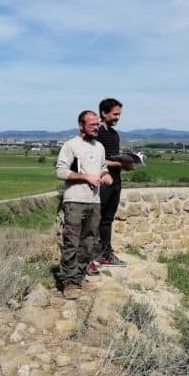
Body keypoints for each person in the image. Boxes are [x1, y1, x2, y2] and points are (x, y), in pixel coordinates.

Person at [55, 110, 112, 299]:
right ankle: (68, 281)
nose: (96, 128)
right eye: (92, 125)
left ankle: (79, 278)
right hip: (74, 200)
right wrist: (84, 177)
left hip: (94, 201)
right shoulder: (71, 145)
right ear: (81, 125)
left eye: (97, 124)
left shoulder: (100, 147)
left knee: (87, 243)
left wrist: (106, 176)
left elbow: (103, 168)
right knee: (71, 242)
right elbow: (61, 171)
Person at [94, 98, 132, 270]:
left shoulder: (114, 134)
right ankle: (93, 254)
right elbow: (96, 160)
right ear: (104, 113)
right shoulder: (98, 134)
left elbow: (112, 157)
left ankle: (106, 254)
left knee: (107, 219)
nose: (118, 117)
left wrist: (126, 164)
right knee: (97, 218)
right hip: (103, 182)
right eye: (115, 114)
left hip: (116, 181)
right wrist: (120, 164)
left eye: (119, 114)